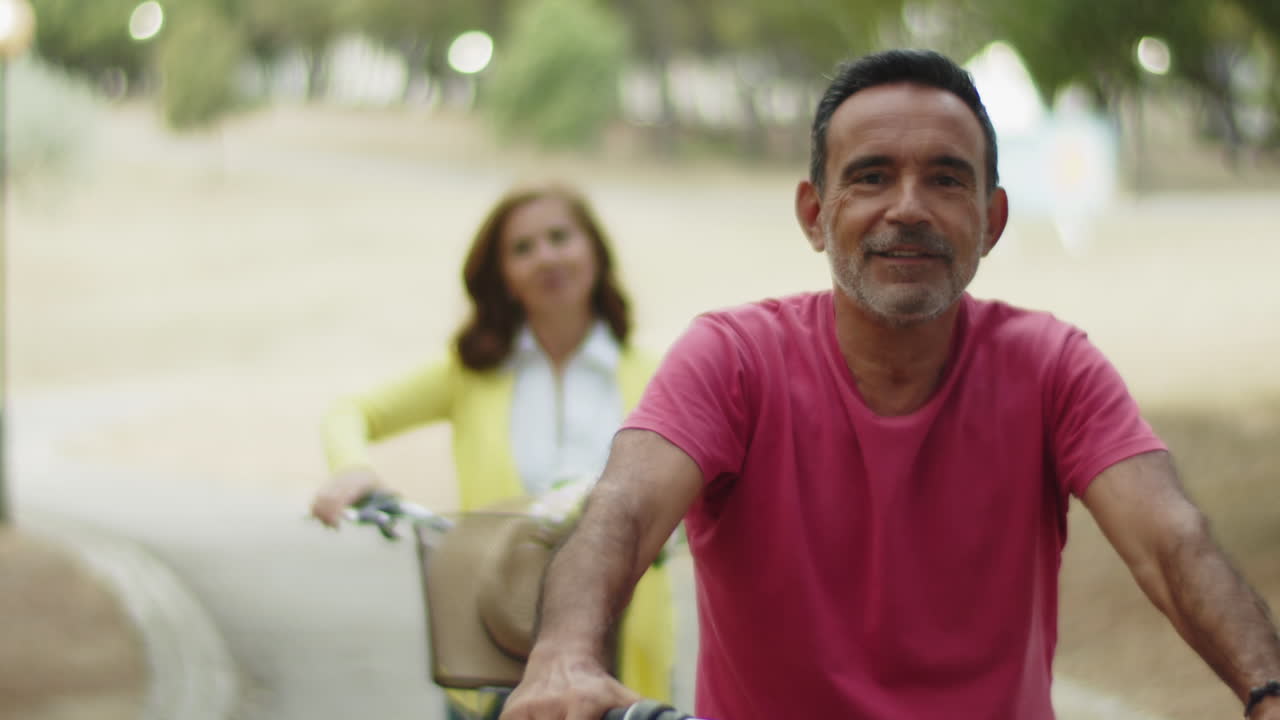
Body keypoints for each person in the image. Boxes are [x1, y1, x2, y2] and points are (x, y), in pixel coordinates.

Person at [500, 50, 1280, 720]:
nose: (908, 209)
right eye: (871, 177)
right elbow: (624, 510)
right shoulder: (731, 358)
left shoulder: (1052, 366)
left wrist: (1266, 688)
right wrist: (562, 656)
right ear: (815, 214)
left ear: (992, 218)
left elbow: (1170, 542)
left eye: (946, 179)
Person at [309, 182, 674, 720]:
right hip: (491, 647)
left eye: (560, 237)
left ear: (595, 251)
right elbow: (351, 411)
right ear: (502, 275)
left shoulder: (656, 376)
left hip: (619, 653)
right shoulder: (472, 374)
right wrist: (351, 469)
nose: (546, 257)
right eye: (522, 248)